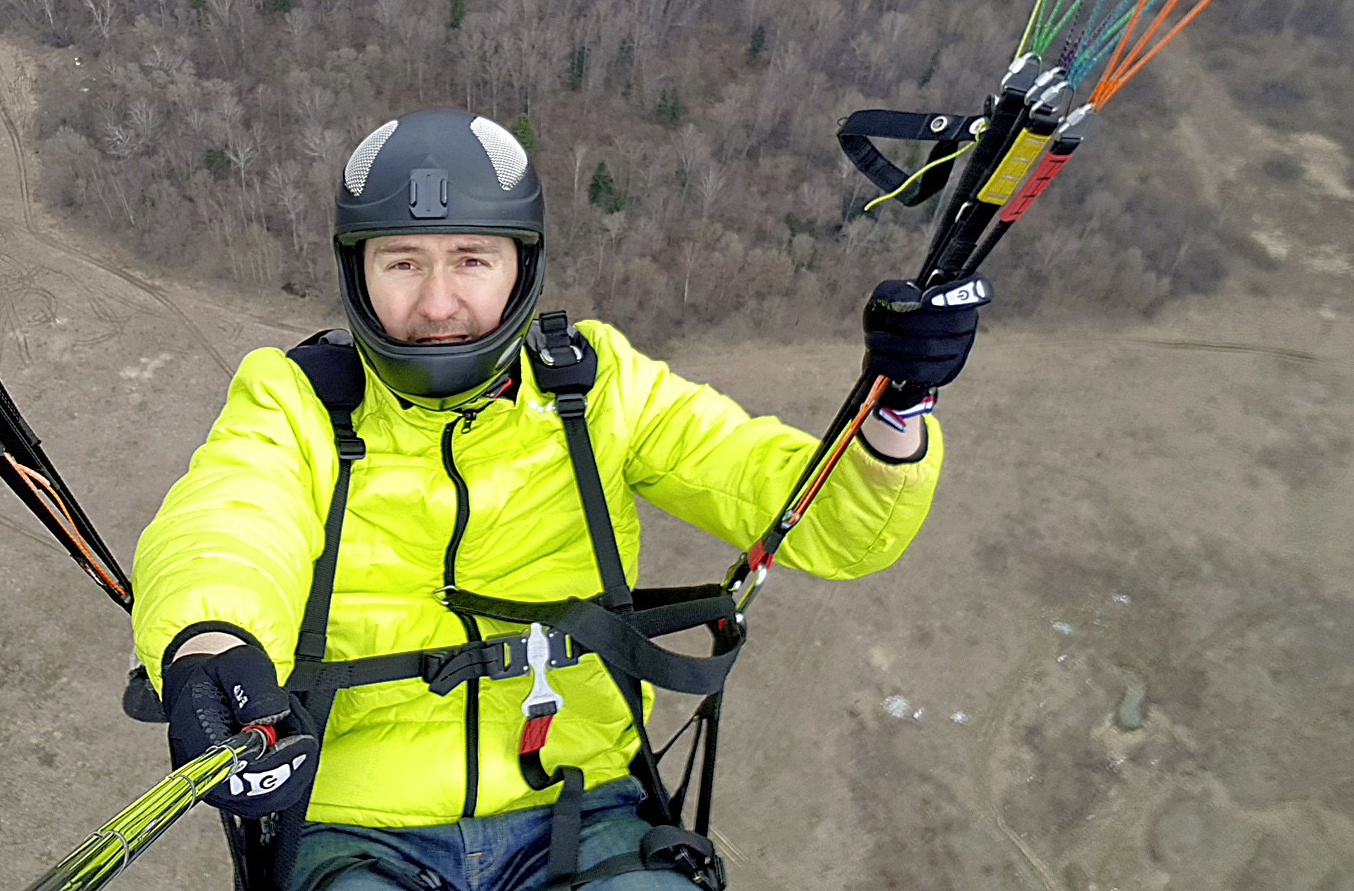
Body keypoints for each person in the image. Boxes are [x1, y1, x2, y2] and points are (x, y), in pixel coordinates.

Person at [132, 108, 981, 891]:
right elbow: (230, 519)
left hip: (580, 808)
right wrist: (212, 641)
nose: (437, 302)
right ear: (357, 271)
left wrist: (895, 409)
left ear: (521, 267)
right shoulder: (299, 400)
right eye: (402, 263)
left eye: (472, 260)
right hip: (356, 824)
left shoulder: (596, 388)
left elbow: (824, 522)